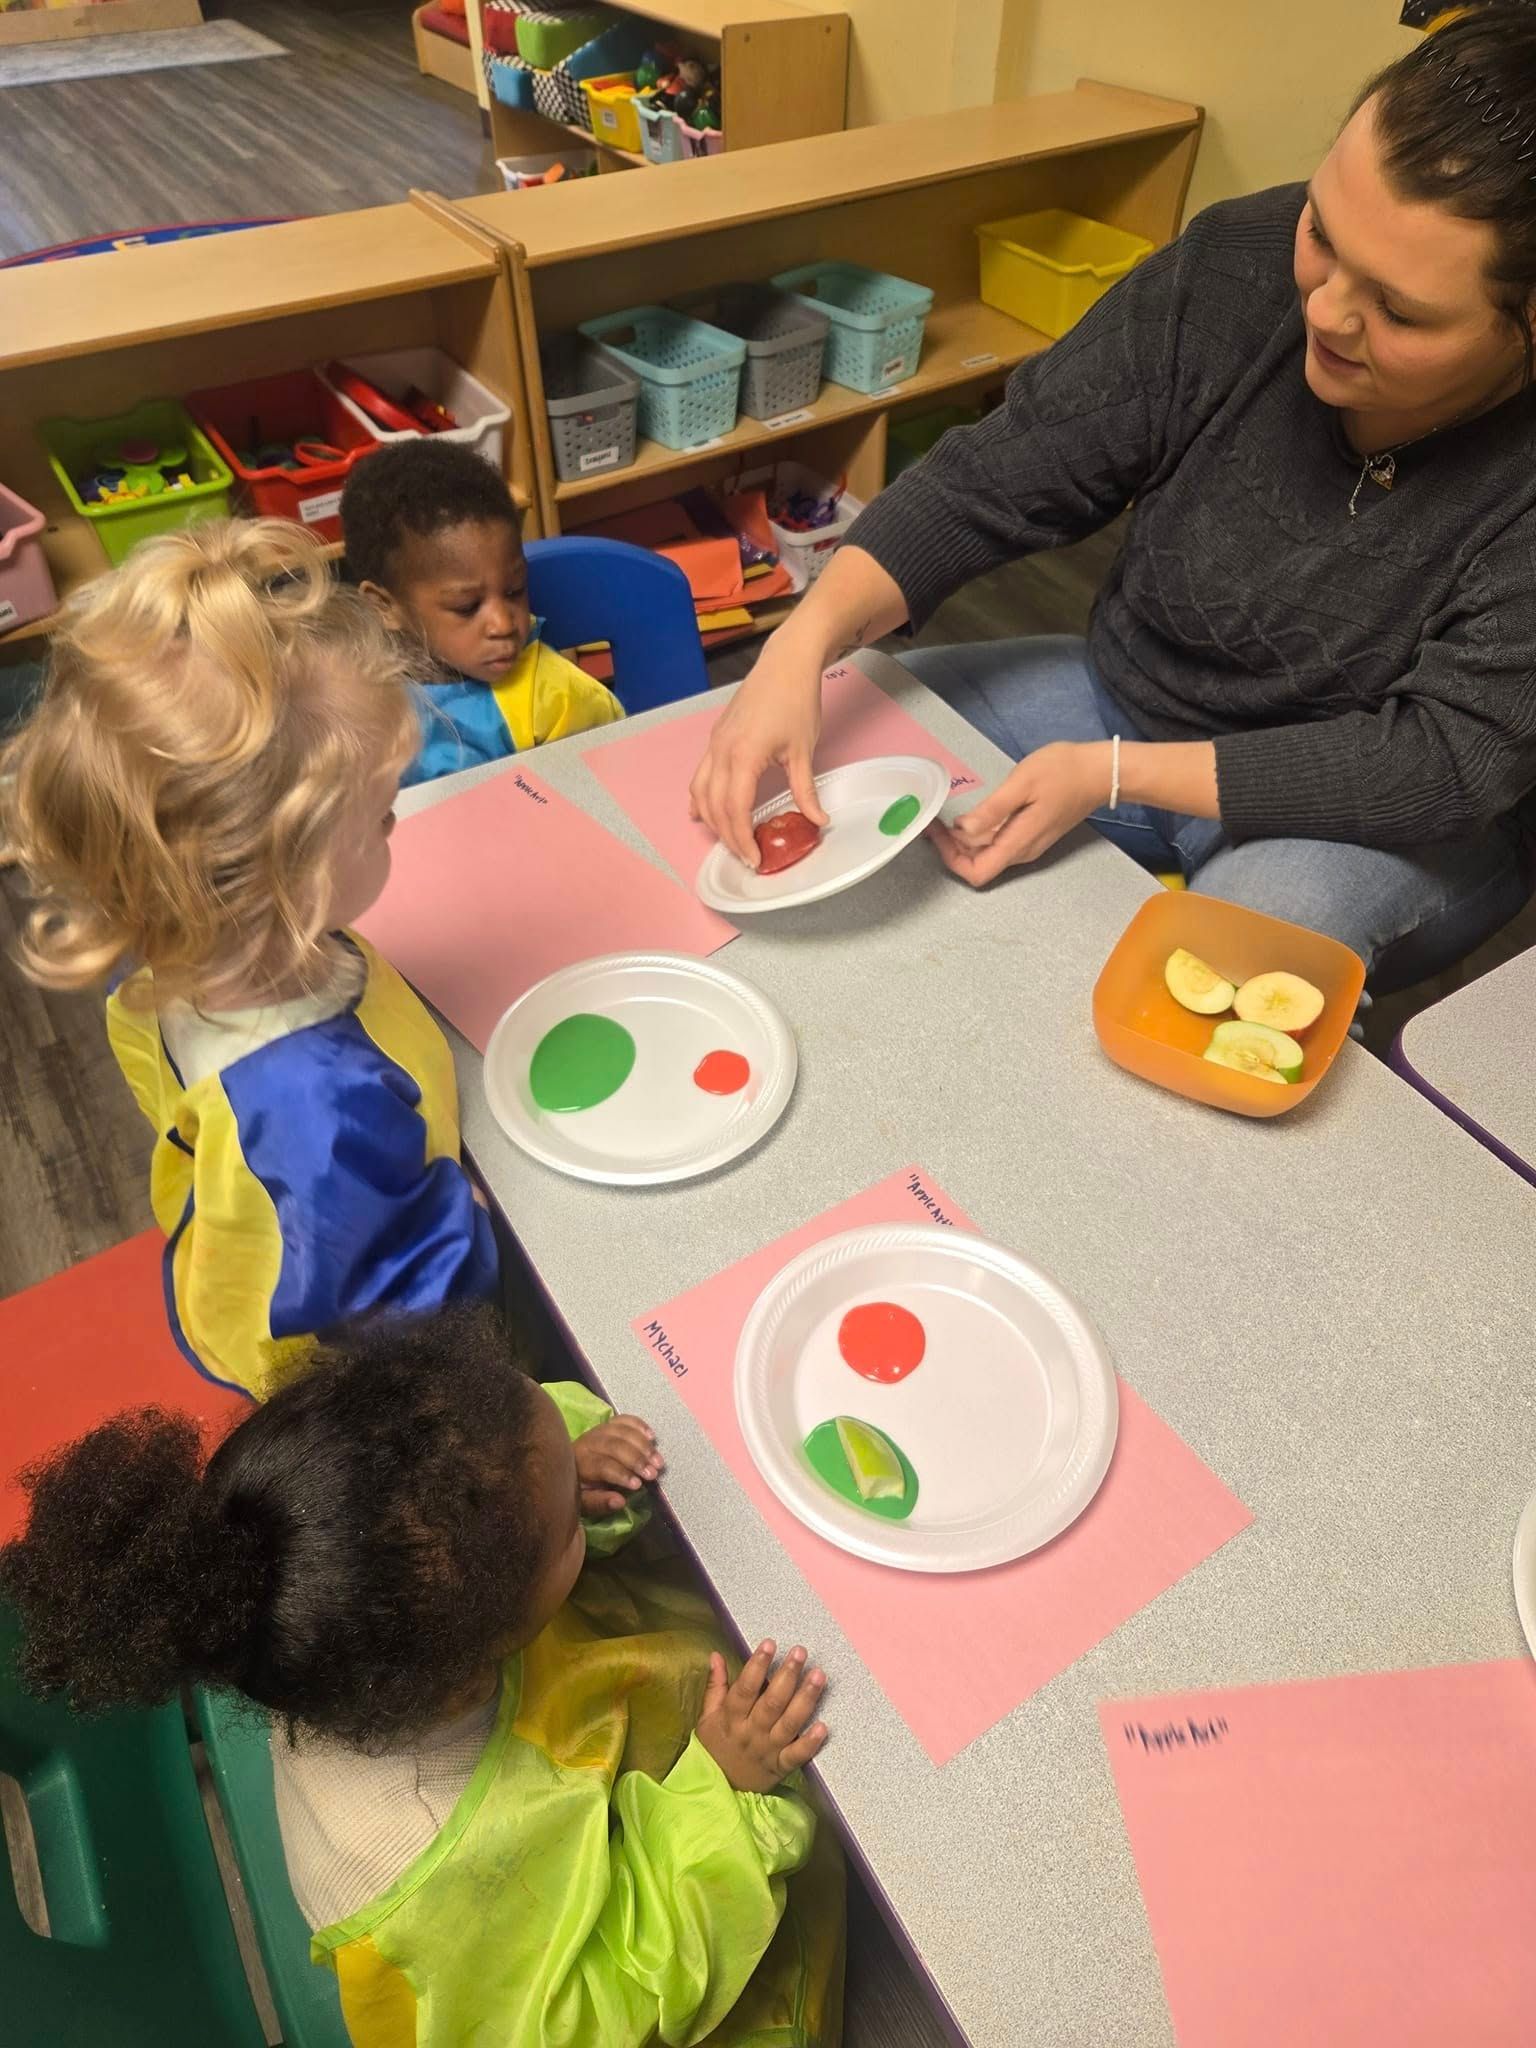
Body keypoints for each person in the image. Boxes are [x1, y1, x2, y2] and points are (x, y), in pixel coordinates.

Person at [691, 6, 1536, 994]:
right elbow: (1000, 471)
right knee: (832, 746)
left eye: (1396, 309)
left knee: (1207, 996)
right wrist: (803, 642)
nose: (1322, 307)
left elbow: (1438, 763)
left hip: (1382, 811)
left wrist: (1117, 773)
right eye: (1321, 227)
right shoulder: (1239, 262)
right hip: (1126, 695)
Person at [0, 1307, 844, 2048]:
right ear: (476, 1653)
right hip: (653, 1945)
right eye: (558, 1534)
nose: (564, 1463)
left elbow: (502, 1456)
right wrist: (721, 1801)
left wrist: (564, 1467)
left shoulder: (371, 1606)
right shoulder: (433, 1874)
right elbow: (607, 2008)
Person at [0, 521, 498, 1399]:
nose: (397, 827)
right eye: (379, 818)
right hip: (335, 1365)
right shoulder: (316, 1107)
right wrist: (467, 1220)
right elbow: (406, 1336)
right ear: (283, 882)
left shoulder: (178, 961)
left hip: (244, 1246)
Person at [341, 440, 623, 788]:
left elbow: (609, 793)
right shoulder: (353, 699)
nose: (504, 624)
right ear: (385, 605)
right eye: (467, 607)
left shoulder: (553, 697)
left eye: (515, 590)